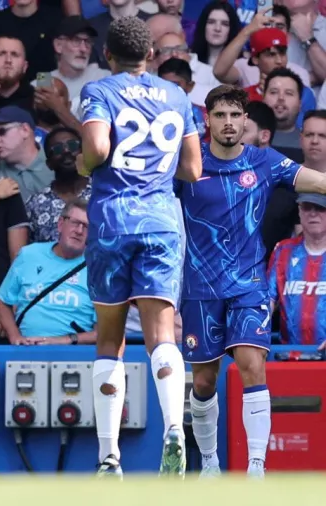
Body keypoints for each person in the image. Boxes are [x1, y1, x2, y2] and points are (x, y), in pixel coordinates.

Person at [177, 85, 326, 479]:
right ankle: (209, 462)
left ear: (247, 122)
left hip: (247, 286)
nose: (228, 122)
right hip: (200, 289)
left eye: (235, 115)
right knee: (205, 381)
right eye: (220, 115)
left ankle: (256, 467)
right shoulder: (188, 164)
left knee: (251, 363)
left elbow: (317, 181)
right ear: (207, 120)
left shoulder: (266, 162)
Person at [77, 16, 203, 479]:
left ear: (107, 55)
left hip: (113, 219)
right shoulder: (177, 96)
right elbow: (192, 168)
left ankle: (109, 455)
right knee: (162, 336)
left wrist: (82, 160)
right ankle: (174, 428)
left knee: (110, 339)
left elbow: (94, 148)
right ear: (151, 55)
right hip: (162, 221)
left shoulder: (100, 91)